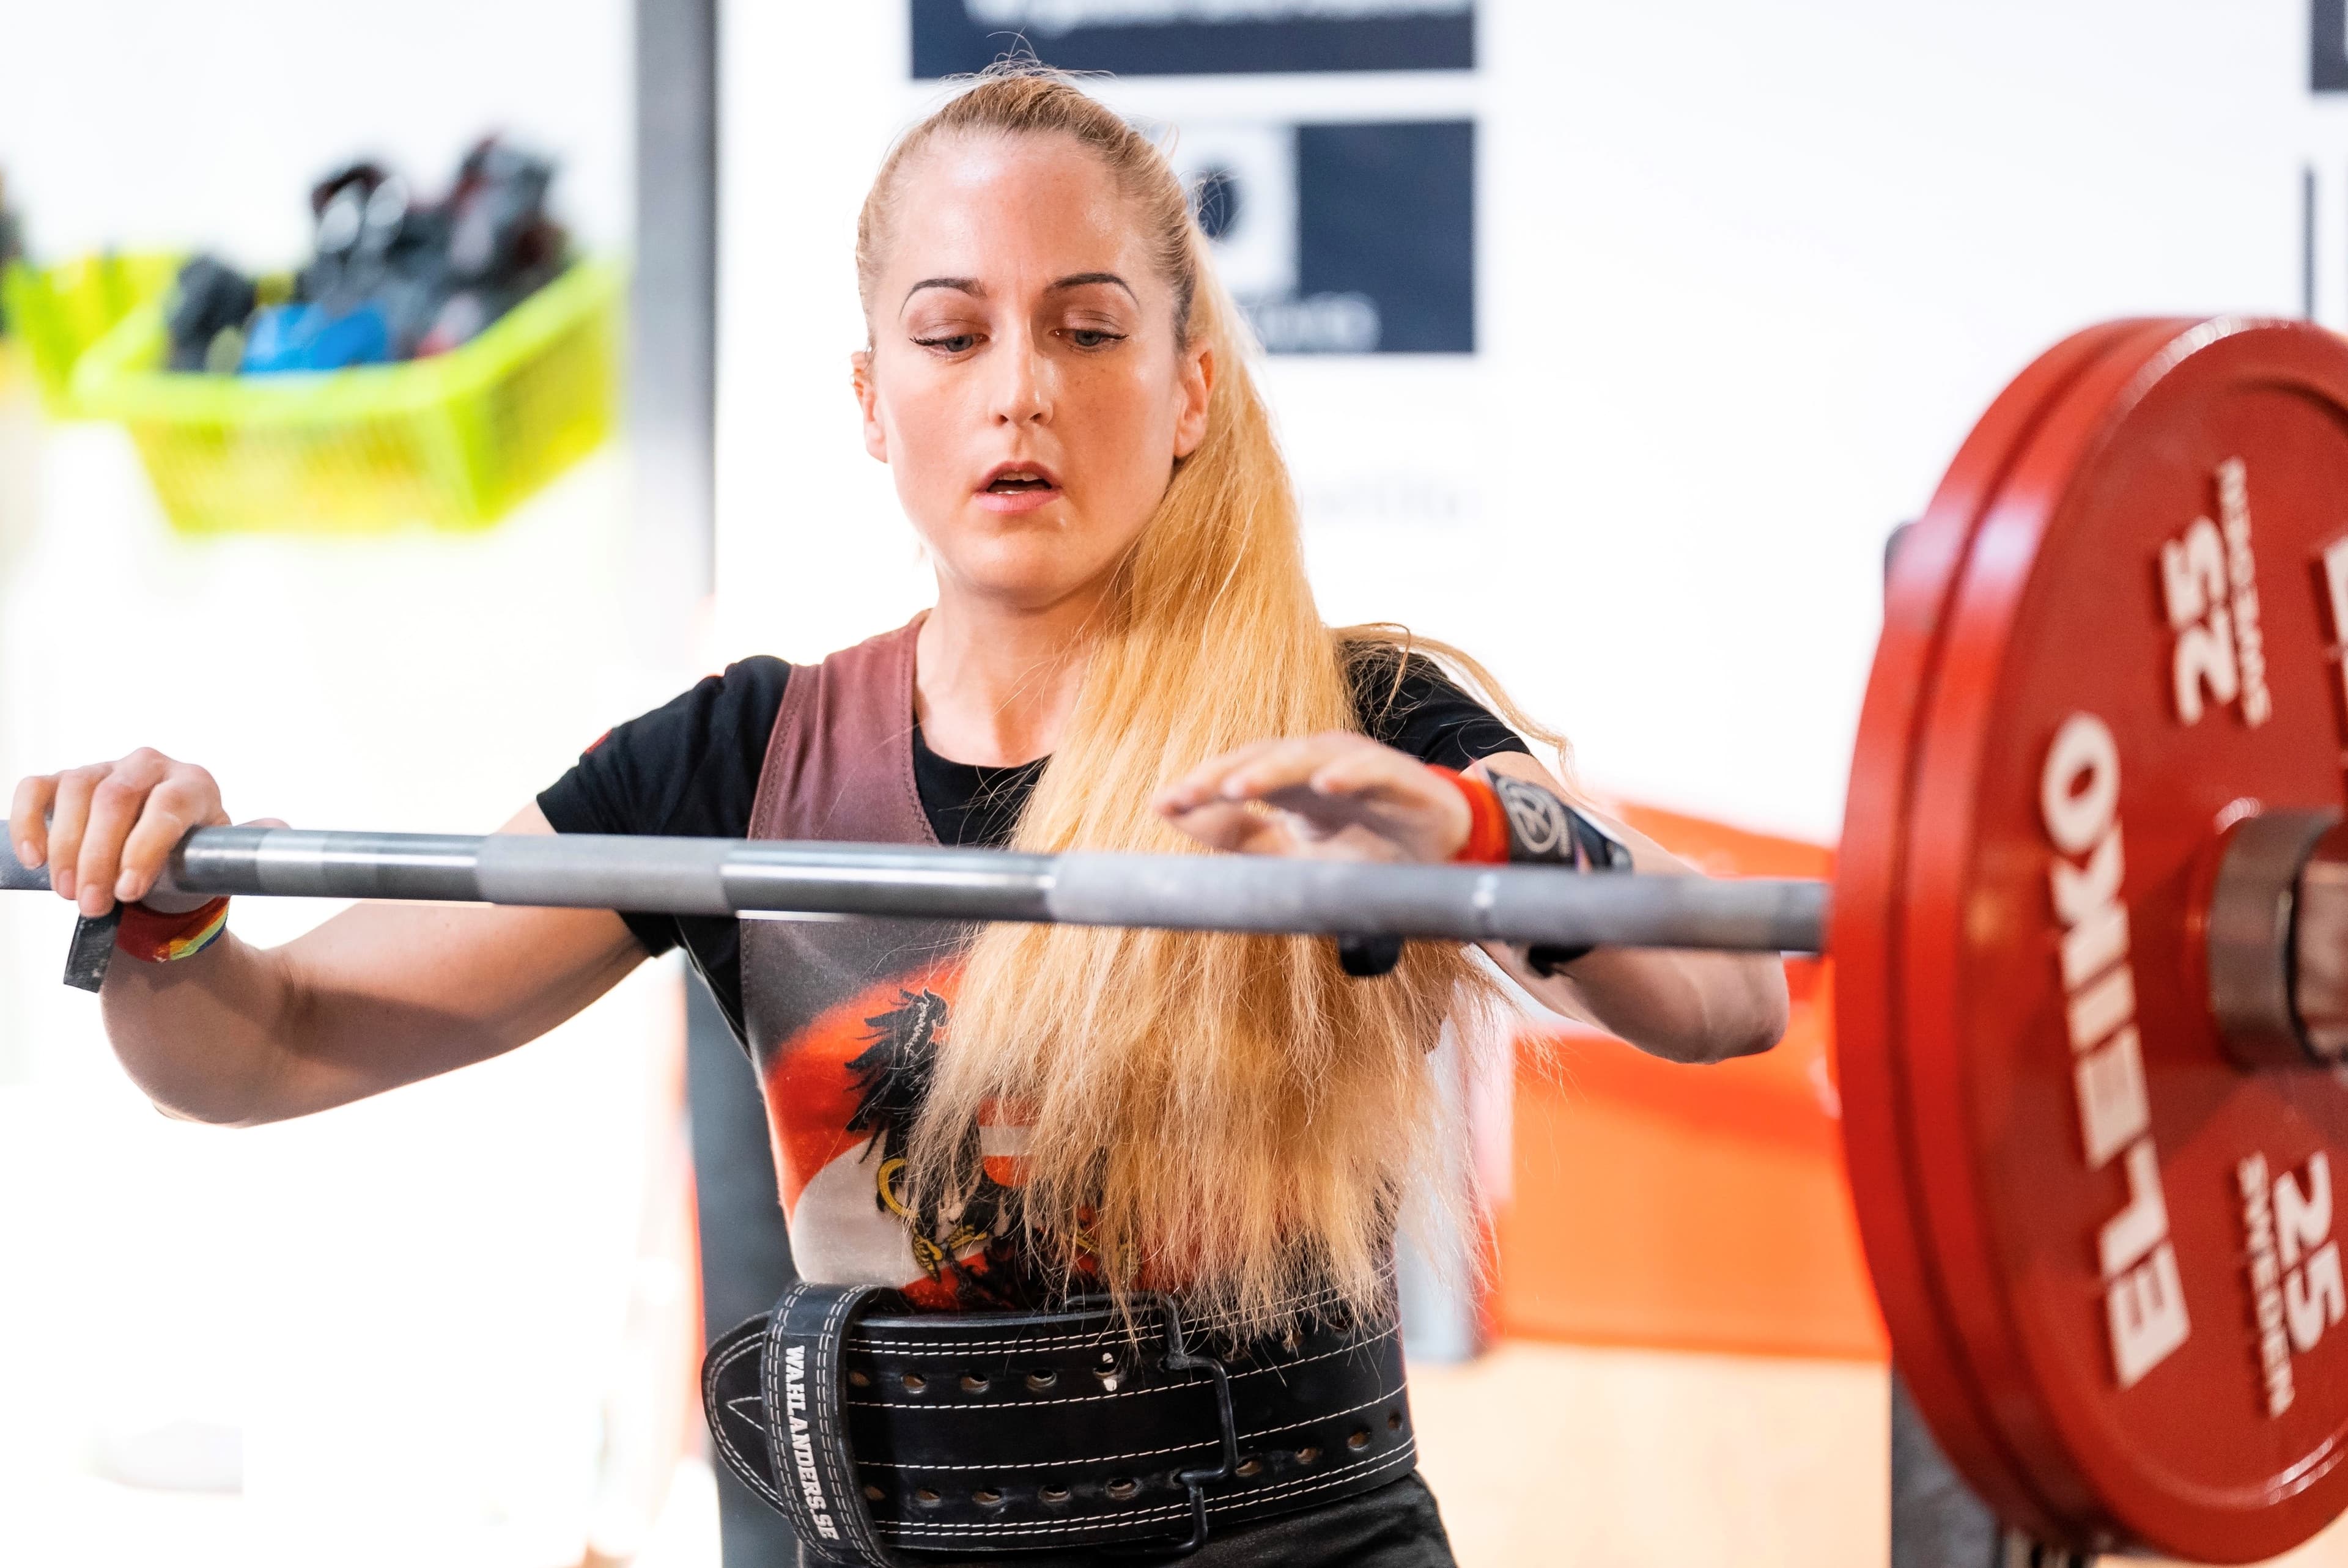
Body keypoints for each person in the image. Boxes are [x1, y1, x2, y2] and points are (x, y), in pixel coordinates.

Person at [9, 67, 1786, 1568]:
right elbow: (271, 1046)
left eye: (1088, 329)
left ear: (1186, 391)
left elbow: (1730, 995)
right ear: (875, 398)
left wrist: (1480, 845)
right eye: (952, 334)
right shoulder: (740, 764)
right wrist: (164, 919)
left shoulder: (1355, 729)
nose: (1019, 388)